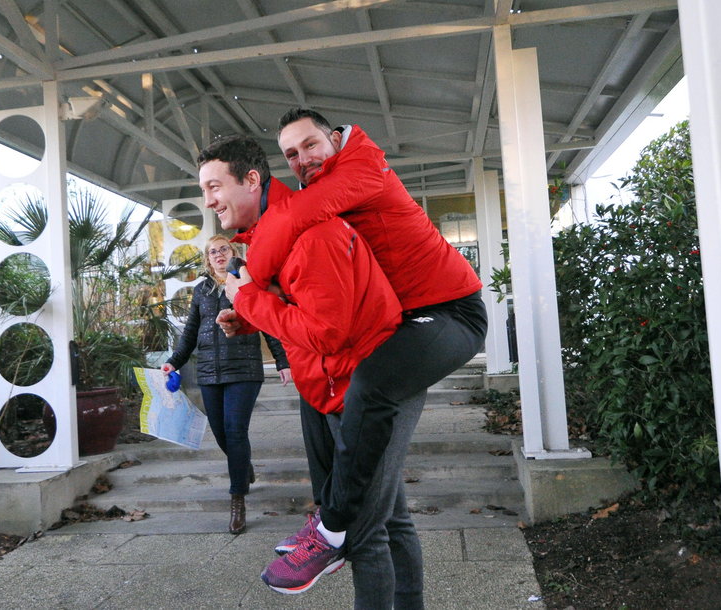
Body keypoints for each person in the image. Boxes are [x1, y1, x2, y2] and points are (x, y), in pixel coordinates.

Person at [241, 108, 489, 599]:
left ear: (334, 138)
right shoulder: (327, 190)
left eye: (310, 145)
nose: (303, 159)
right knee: (325, 412)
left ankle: (330, 529)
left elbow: (289, 218)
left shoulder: (362, 168)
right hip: (403, 320)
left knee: (371, 385)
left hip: (451, 313)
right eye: (291, 154)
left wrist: (250, 287)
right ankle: (328, 517)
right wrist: (250, 301)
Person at [199, 134, 426, 608]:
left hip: (362, 390)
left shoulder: (307, 233)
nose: (209, 200)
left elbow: (327, 332)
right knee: (391, 517)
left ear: (252, 180)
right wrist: (251, 316)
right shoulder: (268, 236)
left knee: (362, 530)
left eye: (215, 186)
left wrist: (249, 300)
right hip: (335, 388)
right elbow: (304, 307)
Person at [161, 234, 291, 535]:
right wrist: (173, 362)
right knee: (221, 433)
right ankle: (243, 467)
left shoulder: (246, 283)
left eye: (224, 249)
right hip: (208, 371)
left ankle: (237, 500)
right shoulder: (202, 290)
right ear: (208, 259)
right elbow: (190, 334)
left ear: (233, 253)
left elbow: (267, 322)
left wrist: (283, 361)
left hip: (244, 368)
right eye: (213, 252)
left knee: (235, 430)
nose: (219, 255)